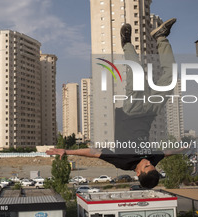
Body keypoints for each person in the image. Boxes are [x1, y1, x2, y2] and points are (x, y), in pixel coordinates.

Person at [47, 18, 179, 189]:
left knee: (137, 74)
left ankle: (127, 44)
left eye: (146, 166)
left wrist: (68, 151)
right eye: (151, 165)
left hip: (133, 111)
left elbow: (95, 153)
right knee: (171, 79)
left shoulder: (123, 161)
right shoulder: (153, 159)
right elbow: (166, 153)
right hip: (151, 112)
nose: (147, 161)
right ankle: (161, 37)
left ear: (138, 172)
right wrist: (184, 149)